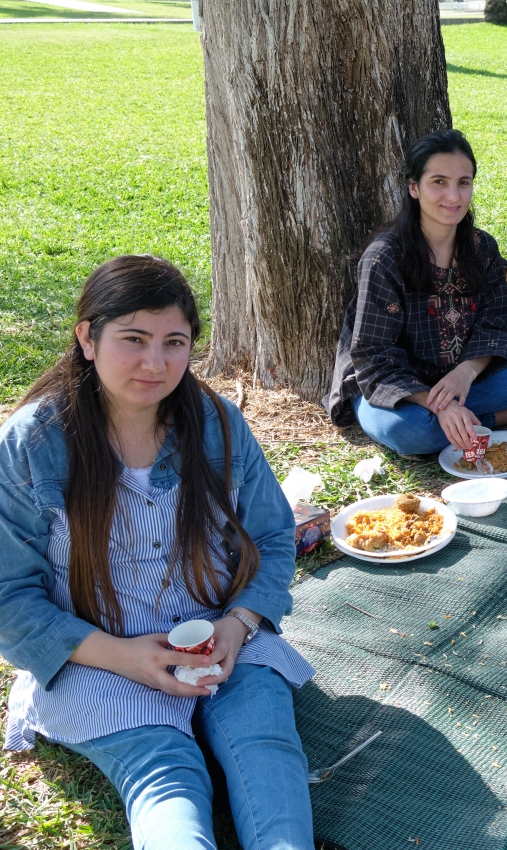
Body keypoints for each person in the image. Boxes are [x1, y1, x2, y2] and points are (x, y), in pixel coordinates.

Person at [0, 256, 316, 849]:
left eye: (175, 342)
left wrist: (239, 623)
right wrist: (125, 658)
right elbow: (8, 598)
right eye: (133, 340)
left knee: (266, 747)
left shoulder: (217, 423)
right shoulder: (31, 444)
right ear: (87, 338)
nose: (156, 362)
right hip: (96, 655)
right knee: (165, 771)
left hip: (223, 641)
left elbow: (273, 537)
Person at [325, 129, 507, 456]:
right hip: (393, 388)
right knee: (409, 432)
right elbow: (373, 356)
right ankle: (499, 416)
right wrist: (437, 404)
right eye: (439, 182)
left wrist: (465, 373)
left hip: (464, 378)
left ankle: (461, 419)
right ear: (414, 188)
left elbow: (495, 322)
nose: (453, 196)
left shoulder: (482, 248)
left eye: (463, 182)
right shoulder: (385, 258)